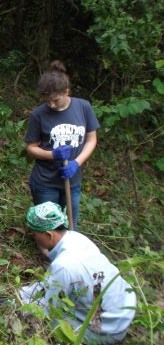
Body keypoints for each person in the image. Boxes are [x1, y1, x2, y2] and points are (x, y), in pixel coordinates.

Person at [20, 202, 137, 344]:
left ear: (49, 235)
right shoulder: (77, 238)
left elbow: (45, 307)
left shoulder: (64, 266)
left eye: (34, 234)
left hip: (107, 330)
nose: (33, 237)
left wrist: (17, 302)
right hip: (122, 310)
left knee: (51, 320)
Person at [25, 60, 99, 230]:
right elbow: (30, 148)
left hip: (72, 181)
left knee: (70, 226)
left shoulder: (83, 107)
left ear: (67, 92)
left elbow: (91, 139)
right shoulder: (38, 115)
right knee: (49, 228)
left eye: (56, 100)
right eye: (47, 101)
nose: (51, 105)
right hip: (45, 181)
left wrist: (76, 163)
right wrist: (53, 154)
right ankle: (47, 255)